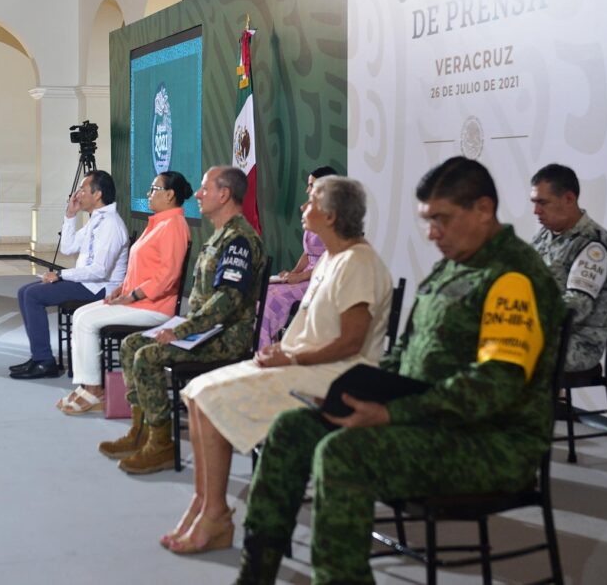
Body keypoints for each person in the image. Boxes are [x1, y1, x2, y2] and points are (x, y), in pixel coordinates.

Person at [235, 157, 566, 584]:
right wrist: (353, 393)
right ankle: (255, 572)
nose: (432, 234)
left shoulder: (513, 277)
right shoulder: (454, 266)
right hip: (427, 424)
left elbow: (493, 387)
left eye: (442, 220)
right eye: (428, 221)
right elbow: (405, 355)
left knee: (341, 456)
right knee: (292, 430)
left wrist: (391, 414)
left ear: (483, 209)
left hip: (489, 442)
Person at [163, 175, 393, 555]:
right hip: (299, 365)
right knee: (197, 392)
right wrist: (281, 354)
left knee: (206, 397)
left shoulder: (359, 263)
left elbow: (352, 341)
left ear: (332, 216)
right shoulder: (333, 258)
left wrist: (291, 356)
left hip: (333, 378)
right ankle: (206, 506)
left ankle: (214, 515)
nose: (304, 207)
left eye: (313, 201)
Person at [97, 166, 266, 474]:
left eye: (205, 189)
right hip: (205, 330)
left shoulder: (239, 239)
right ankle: (142, 430)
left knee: (147, 355)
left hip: (225, 337)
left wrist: (182, 331)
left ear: (224, 194)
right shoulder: (222, 235)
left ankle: (161, 444)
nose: (198, 194)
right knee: (131, 343)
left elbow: (226, 303)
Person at [57, 171, 192, 414]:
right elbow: (139, 269)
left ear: (170, 195)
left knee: (87, 321)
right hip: (135, 301)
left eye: (154, 189)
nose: (149, 194)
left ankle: (95, 390)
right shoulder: (158, 223)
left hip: (153, 308)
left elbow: (167, 276)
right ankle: (86, 384)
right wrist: (120, 289)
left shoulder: (174, 226)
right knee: (80, 315)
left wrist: (133, 295)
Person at [8, 170, 128, 379]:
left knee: (32, 295)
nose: (78, 194)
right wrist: (70, 216)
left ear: (97, 194)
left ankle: (44, 361)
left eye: (83, 189)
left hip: (100, 288)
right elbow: (68, 247)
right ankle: (39, 357)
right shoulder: (96, 219)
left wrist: (62, 275)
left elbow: (100, 270)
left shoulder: (110, 224)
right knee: (24, 292)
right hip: (88, 283)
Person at [530, 163, 607, 371]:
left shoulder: (593, 244)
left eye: (543, 202)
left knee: (508, 350)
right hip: (543, 333)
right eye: (534, 202)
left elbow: (576, 307)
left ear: (569, 199)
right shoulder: (545, 235)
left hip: (577, 343)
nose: (536, 210)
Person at [258, 166, 338, 348]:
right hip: (306, 276)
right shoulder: (316, 214)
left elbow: (328, 259)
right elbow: (308, 253)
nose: (306, 190)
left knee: (271, 298)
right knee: (264, 289)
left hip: (321, 281)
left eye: (311, 185)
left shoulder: (334, 219)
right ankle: (266, 347)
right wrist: (291, 275)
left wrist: (299, 277)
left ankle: (266, 347)